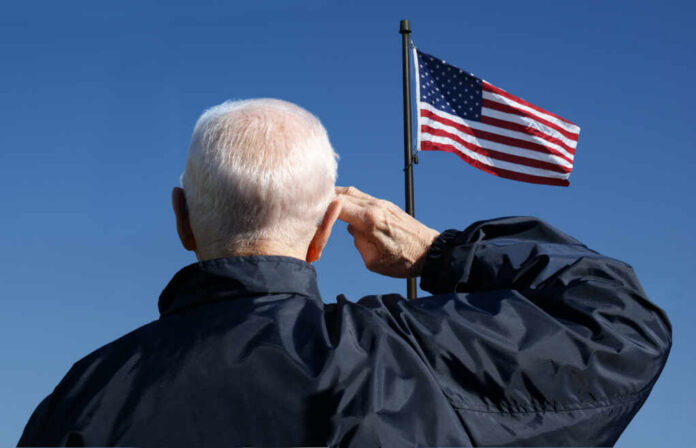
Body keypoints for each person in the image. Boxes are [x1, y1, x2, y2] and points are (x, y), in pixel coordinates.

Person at [18, 99, 671, 447]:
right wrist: (438, 253)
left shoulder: (82, 398)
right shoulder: (406, 361)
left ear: (183, 220)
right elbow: (621, 325)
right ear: (328, 229)